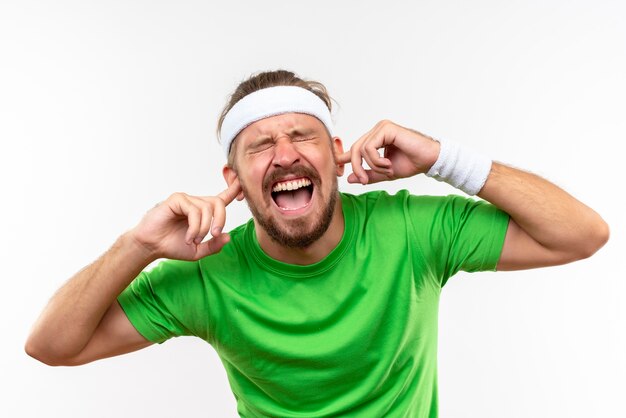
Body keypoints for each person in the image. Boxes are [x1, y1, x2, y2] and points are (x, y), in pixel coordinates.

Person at [25, 70, 609, 417]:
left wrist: (439, 158)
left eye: (301, 135)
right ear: (232, 180)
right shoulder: (208, 269)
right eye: (259, 146)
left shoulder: (410, 228)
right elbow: (50, 346)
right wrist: (138, 244)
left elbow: (582, 234)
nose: (284, 155)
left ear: (335, 153)